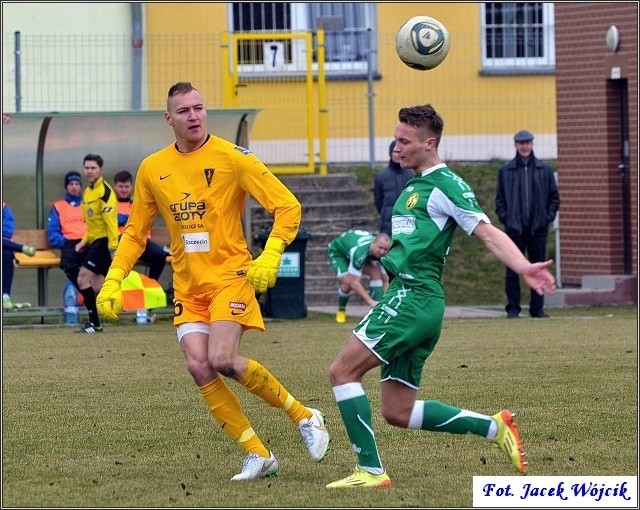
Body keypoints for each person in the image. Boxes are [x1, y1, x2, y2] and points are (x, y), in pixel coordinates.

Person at [96, 81, 330, 481]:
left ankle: (304, 416)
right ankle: (258, 453)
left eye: (199, 108)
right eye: (184, 111)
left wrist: (272, 252)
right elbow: (135, 233)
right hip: (189, 285)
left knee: (221, 359)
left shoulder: (231, 157)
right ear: (169, 118)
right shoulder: (153, 169)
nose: (194, 116)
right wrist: (113, 280)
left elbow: (287, 206)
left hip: (230, 277)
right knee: (199, 367)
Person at [325, 104, 556, 489]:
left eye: (404, 141)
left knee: (341, 372)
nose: (396, 148)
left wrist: (523, 266)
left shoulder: (446, 184)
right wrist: (390, 246)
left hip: (412, 298)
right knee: (397, 411)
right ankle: (494, 427)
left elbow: (487, 232)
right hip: (414, 300)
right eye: (395, 139)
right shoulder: (415, 184)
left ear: (429, 144)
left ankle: (370, 470)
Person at [495, 129, 560, 319]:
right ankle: (513, 308)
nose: (524, 147)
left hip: (538, 229)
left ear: (532, 144)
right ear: (516, 145)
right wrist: (507, 220)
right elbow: (500, 201)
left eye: (528, 143)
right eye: (521, 143)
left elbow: (554, 198)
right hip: (514, 230)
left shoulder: (544, 170)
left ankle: (537, 308)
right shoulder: (505, 171)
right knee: (513, 270)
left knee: (539, 268)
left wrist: (546, 218)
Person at [113, 170, 171, 323]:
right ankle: (119, 302)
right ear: (115, 186)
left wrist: (124, 220)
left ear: (131, 187)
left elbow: (145, 220)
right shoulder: (110, 203)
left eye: (126, 186)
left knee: (160, 255)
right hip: (121, 243)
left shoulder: (138, 202)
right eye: (120, 186)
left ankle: (148, 293)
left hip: (141, 242)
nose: (123, 189)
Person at [75, 153, 119, 333]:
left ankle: (95, 323)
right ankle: (99, 320)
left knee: (82, 278)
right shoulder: (87, 192)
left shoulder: (105, 192)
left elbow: (111, 224)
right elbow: (91, 223)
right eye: (87, 167)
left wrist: (113, 248)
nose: (89, 171)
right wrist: (83, 241)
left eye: (93, 168)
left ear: (101, 169)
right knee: (96, 286)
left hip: (104, 243)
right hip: (94, 243)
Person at [327, 229, 391, 324]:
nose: (382, 252)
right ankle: (341, 310)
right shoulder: (359, 253)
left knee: (376, 273)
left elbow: (386, 279)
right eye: (380, 248)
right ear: (373, 243)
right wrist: (370, 301)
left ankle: (376, 313)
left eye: (385, 249)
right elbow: (354, 282)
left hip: (358, 251)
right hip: (339, 253)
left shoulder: (383, 253)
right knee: (348, 282)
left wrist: (385, 302)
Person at [373, 140, 414, 236]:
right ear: (390, 153)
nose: (398, 155)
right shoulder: (381, 176)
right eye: (395, 152)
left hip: (409, 225)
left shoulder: (412, 175)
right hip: (387, 226)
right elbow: (378, 201)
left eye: (401, 152)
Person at [2, 202, 37, 309]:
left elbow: (6, 232)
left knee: (7, 254)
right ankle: (21, 248)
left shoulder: (3, 207)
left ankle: (5, 296)